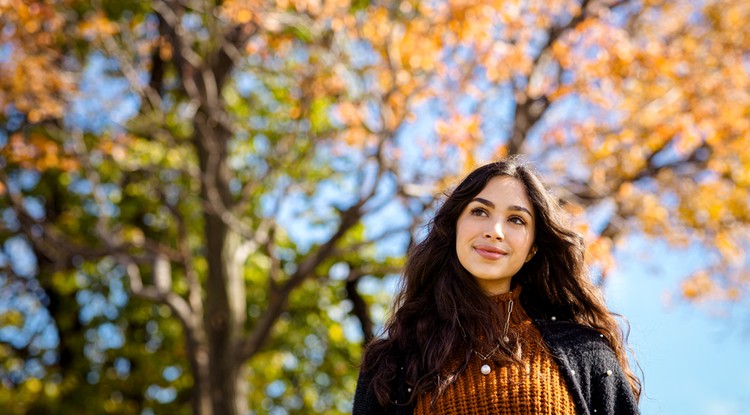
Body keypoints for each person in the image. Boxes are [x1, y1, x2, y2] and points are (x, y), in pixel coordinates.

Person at [353, 158, 641, 414]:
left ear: (533, 249)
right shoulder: (394, 361)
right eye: (480, 212)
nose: (495, 231)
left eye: (516, 220)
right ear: (454, 226)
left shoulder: (585, 351)